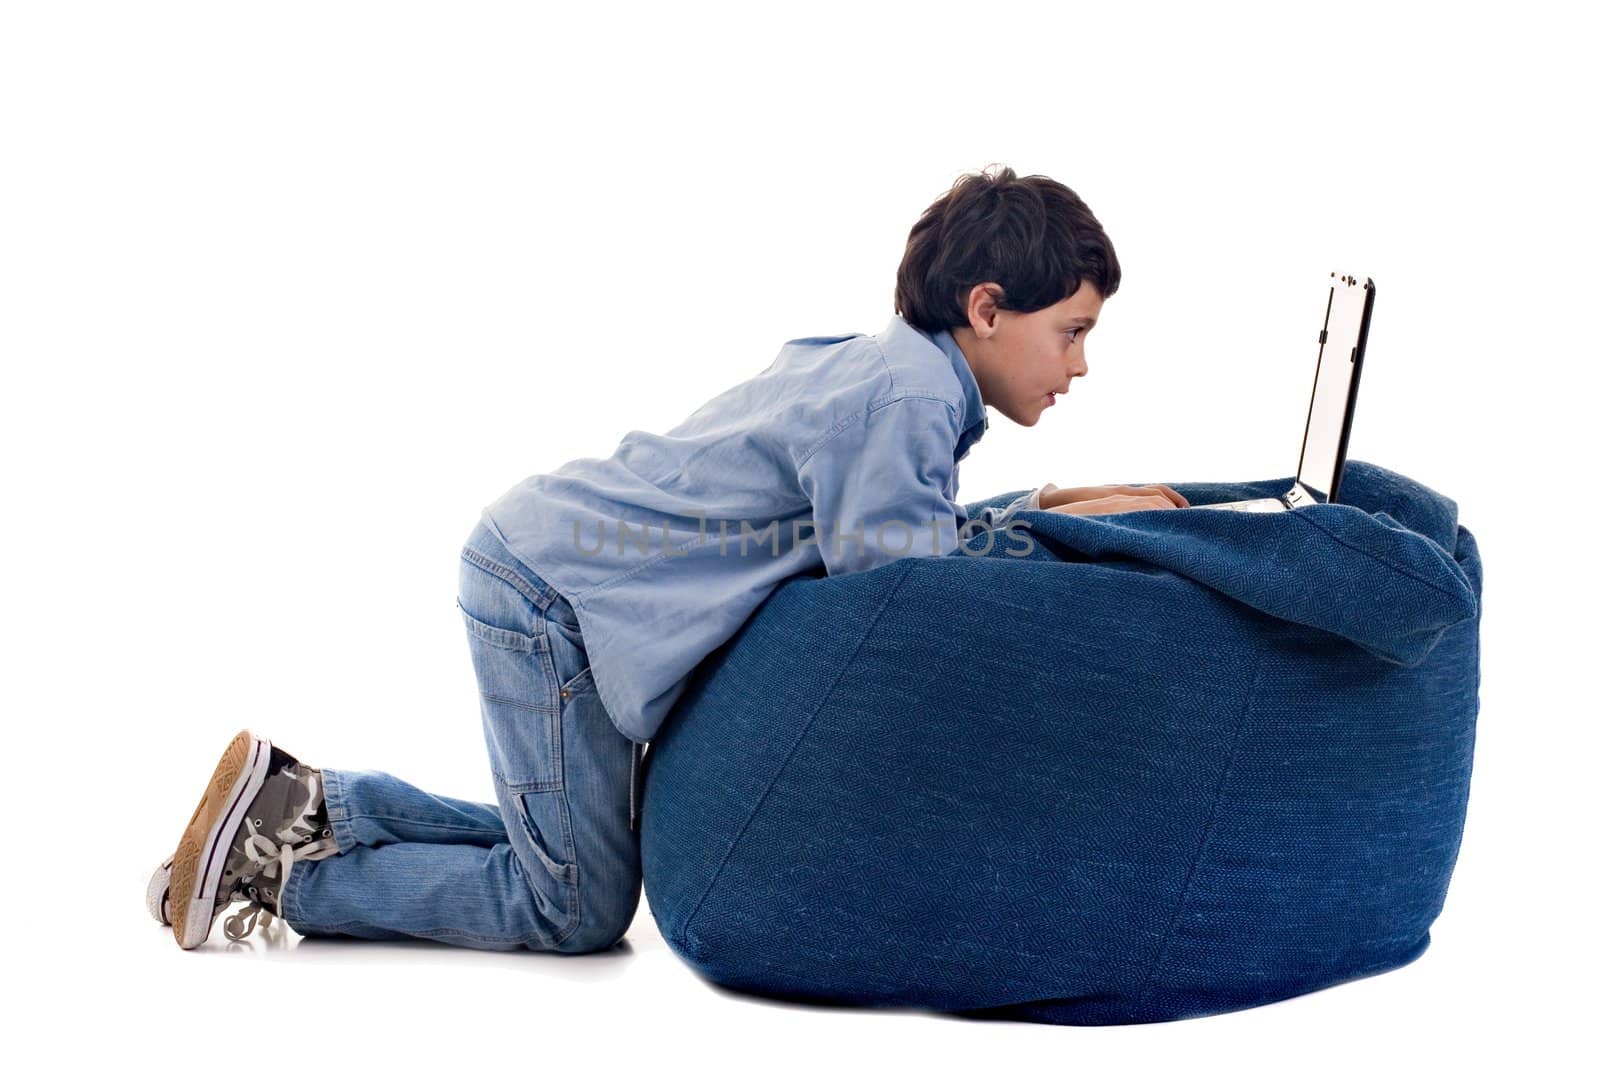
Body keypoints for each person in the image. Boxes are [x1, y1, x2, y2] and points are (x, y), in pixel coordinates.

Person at [151, 163, 1188, 953]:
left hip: (557, 575)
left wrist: (1054, 502)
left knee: (577, 847)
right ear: (986, 309)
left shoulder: (898, 376)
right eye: (1072, 331)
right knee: (572, 905)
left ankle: (312, 804)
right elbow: (903, 597)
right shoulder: (904, 398)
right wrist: (1062, 540)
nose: (1081, 363)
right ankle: (281, 876)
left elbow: (898, 542)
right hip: (550, 593)